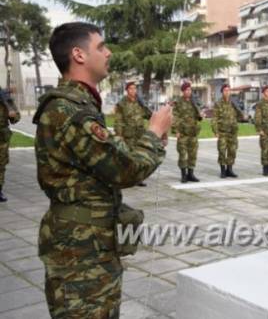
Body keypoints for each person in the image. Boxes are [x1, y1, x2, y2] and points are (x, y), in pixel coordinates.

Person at [34, 22, 172, 318]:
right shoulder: (70, 112)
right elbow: (127, 170)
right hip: (81, 253)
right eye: (101, 46)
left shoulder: (78, 106)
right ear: (78, 55)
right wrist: (154, 133)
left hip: (89, 244)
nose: (108, 53)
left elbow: (109, 158)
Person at [113, 81, 152, 186]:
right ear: (127, 90)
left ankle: (138, 179)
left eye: (135, 88)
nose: (133, 90)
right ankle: (126, 178)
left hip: (139, 134)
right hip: (128, 135)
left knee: (139, 156)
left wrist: (144, 105)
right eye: (131, 88)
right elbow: (118, 120)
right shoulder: (122, 104)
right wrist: (119, 135)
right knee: (128, 157)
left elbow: (149, 115)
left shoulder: (139, 102)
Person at [172, 81, 202, 183]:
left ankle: (191, 174)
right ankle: (183, 175)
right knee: (182, 154)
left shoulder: (194, 102)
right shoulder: (178, 102)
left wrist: (200, 114)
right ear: (183, 91)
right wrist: (176, 130)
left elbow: (198, 116)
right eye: (187, 90)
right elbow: (174, 117)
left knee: (193, 154)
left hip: (193, 133)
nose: (189, 91)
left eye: (190, 90)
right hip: (183, 133)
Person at [212, 84, 241, 178]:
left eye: (228, 90)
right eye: (225, 90)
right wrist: (215, 131)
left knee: (232, 150)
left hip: (232, 132)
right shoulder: (218, 104)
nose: (227, 92)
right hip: (222, 132)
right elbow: (214, 118)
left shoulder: (233, 103)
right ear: (222, 92)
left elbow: (240, 116)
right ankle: (223, 170)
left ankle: (230, 169)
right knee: (222, 151)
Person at [0, 87, 20, 202]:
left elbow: (16, 117)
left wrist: (13, 115)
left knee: (1, 164)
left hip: (2, 138)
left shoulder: (6, 99)